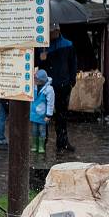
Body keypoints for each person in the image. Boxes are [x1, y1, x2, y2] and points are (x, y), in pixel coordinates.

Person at [37, 23, 77, 152]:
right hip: (46, 87)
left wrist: (72, 81)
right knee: (43, 115)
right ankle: (42, 142)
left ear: (57, 30)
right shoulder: (42, 46)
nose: (50, 34)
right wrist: (41, 59)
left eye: (52, 31)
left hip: (63, 85)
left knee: (62, 115)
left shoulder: (68, 44)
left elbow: (73, 63)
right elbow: (38, 65)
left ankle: (62, 142)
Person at [30, 69, 55, 154]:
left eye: (36, 79)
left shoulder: (49, 89)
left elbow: (50, 103)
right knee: (34, 130)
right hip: (34, 114)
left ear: (41, 81)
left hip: (42, 116)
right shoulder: (34, 86)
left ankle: (41, 145)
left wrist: (48, 115)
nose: (35, 81)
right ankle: (34, 144)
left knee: (42, 130)